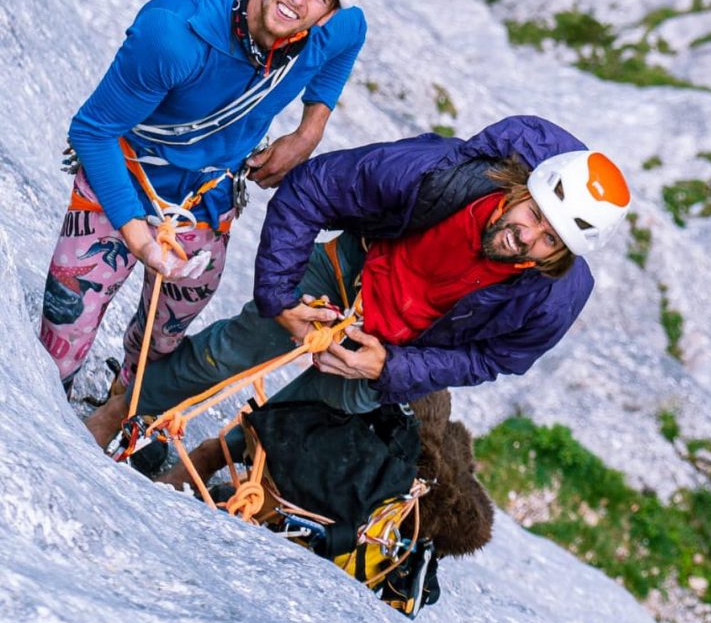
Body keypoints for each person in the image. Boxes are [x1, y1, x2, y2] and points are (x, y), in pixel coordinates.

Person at [87, 115, 630, 449]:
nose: (526, 234)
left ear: (560, 255)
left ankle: (205, 464)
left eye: (548, 239)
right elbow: (311, 189)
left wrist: (391, 368)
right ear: (520, 190)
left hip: (399, 343)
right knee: (236, 350)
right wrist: (280, 300)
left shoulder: (556, 299)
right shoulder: (436, 173)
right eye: (532, 213)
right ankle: (121, 409)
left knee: (309, 418)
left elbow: (492, 359)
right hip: (353, 270)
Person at [39, 0, 381, 398]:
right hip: (125, 175)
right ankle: (48, 414)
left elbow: (353, 38)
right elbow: (94, 130)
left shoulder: (331, 31)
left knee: (164, 337)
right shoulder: (174, 35)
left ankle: (125, 410)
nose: (297, 0)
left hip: (207, 197)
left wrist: (309, 132)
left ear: (329, 12)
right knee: (63, 332)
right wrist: (140, 240)